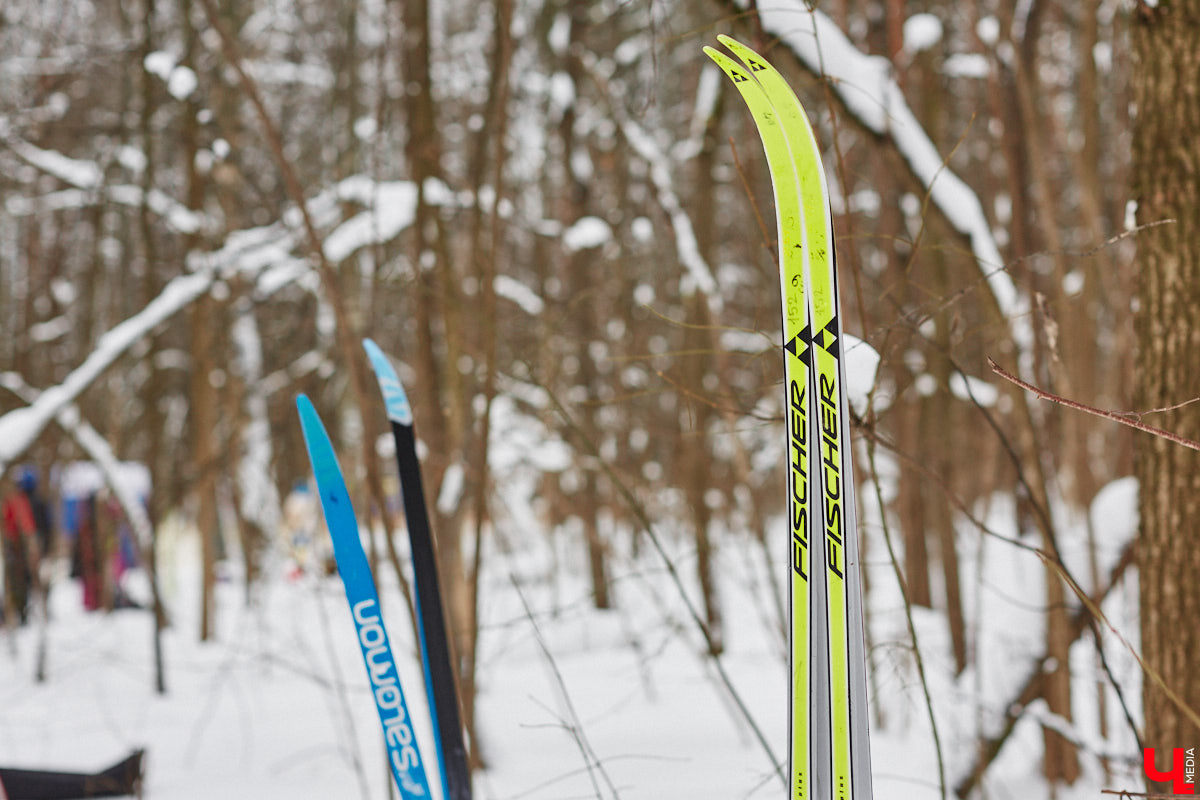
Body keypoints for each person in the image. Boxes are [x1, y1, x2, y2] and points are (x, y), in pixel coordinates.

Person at [1, 473, 40, 626]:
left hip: (17, 547)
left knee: (19, 581)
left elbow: (27, 525)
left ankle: (19, 611)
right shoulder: (12, 502)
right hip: (12, 545)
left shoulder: (18, 502)